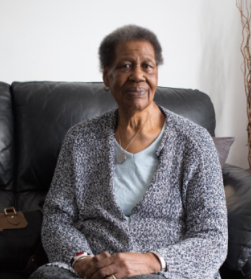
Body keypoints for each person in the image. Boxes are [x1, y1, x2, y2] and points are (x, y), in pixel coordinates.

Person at [30, 24, 227, 279]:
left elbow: (213, 238)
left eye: (147, 66)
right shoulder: (80, 139)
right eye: (125, 66)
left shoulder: (195, 142)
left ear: (156, 75)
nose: (137, 75)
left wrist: (150, 262)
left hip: (168, 272)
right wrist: (82, 261)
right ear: (106, 76)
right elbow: (57, 219)